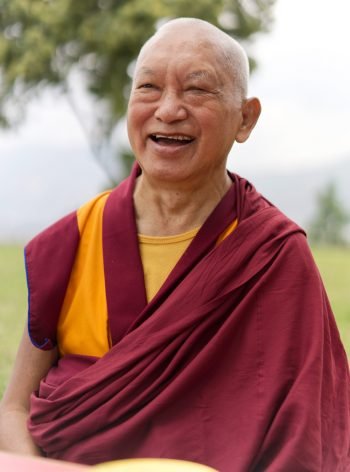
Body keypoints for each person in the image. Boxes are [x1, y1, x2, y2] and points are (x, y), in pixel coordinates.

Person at [0, 17, 349, 472]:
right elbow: (15, 410)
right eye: (148, 88)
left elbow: (310, 435)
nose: (168, 109)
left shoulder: (273, 255)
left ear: (246, 118)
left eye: (196, 90)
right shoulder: (72, 241)